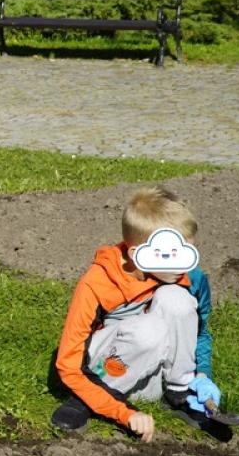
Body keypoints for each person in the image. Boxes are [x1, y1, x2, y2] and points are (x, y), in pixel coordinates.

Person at [51, 186, 227, 439]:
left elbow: (199, 332)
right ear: (138, 254)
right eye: (173, 256)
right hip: (101, 374)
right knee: (149, 330)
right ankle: (82, 402)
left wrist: (202, 376)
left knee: (177, 300)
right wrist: (124, 413)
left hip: (150, 376)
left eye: (187, 252)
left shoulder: (187, 276)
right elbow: (69, 364)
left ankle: (180, 394)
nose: (185, 266)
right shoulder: (97, 283)